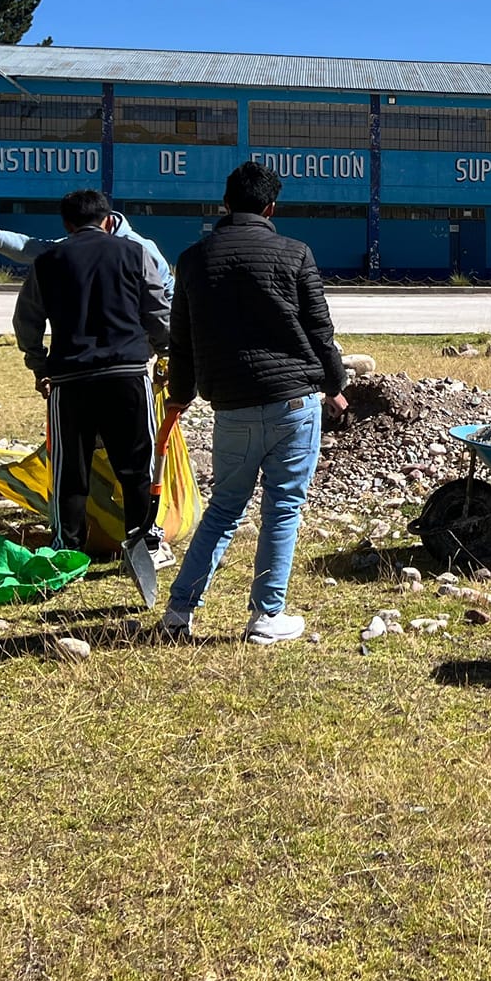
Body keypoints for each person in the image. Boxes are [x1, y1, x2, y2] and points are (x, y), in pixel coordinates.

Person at [161, 162, 349, 646]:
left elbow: (179, 341)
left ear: (225, 205)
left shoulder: (194, 259)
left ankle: (179, 611)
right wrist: (335, 383)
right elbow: (319, 329)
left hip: (232, 407)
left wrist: (178, 398)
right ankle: (267, 616)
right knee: (283, 507)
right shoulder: (295, 253)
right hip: (293, 402)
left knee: (224, 507)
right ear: (271, 207)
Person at [11, 188, 172, 606]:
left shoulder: (48, 262)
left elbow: (26, 321)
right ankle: (142, 542)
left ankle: (68, 549)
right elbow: (158, 312)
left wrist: (40, 365)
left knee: (71, 468)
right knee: (137, 466)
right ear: (107, 219)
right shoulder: (135, 254)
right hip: (128, 375)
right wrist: (166, 351)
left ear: (66, 225)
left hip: (71, 380)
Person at [0, 196, 173, 292]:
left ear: (109, 221)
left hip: (132, 353)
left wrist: (163, 345)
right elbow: (26, 248)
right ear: (69, 228)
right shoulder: (70, 248)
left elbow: (166, 294)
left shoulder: (140, 250)